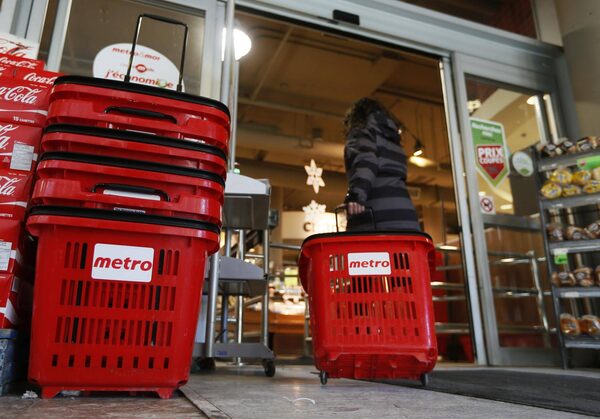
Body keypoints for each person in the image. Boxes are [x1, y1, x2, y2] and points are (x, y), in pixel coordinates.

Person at [343, 97, 420, 231]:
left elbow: (365, 162)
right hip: (407, 218)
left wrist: (356, 196)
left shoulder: (362, 132)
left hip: (378, 219)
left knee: (357, 243)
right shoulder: (393, 140)